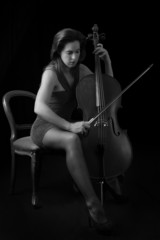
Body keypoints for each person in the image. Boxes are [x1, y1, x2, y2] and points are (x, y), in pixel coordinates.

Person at [30, 28, 114, 234]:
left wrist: (107, 62)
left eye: (77, 52)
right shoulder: (51, 72)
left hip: (64, 127)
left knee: (93, 135)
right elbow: (38, 107)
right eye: (69, 52)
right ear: (58, 51)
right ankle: (93, 204)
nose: (74, 57)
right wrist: (69, 126)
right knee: (72, 140)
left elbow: (106, 90)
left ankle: (105, 182)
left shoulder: (81, 69)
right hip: (44, 128)